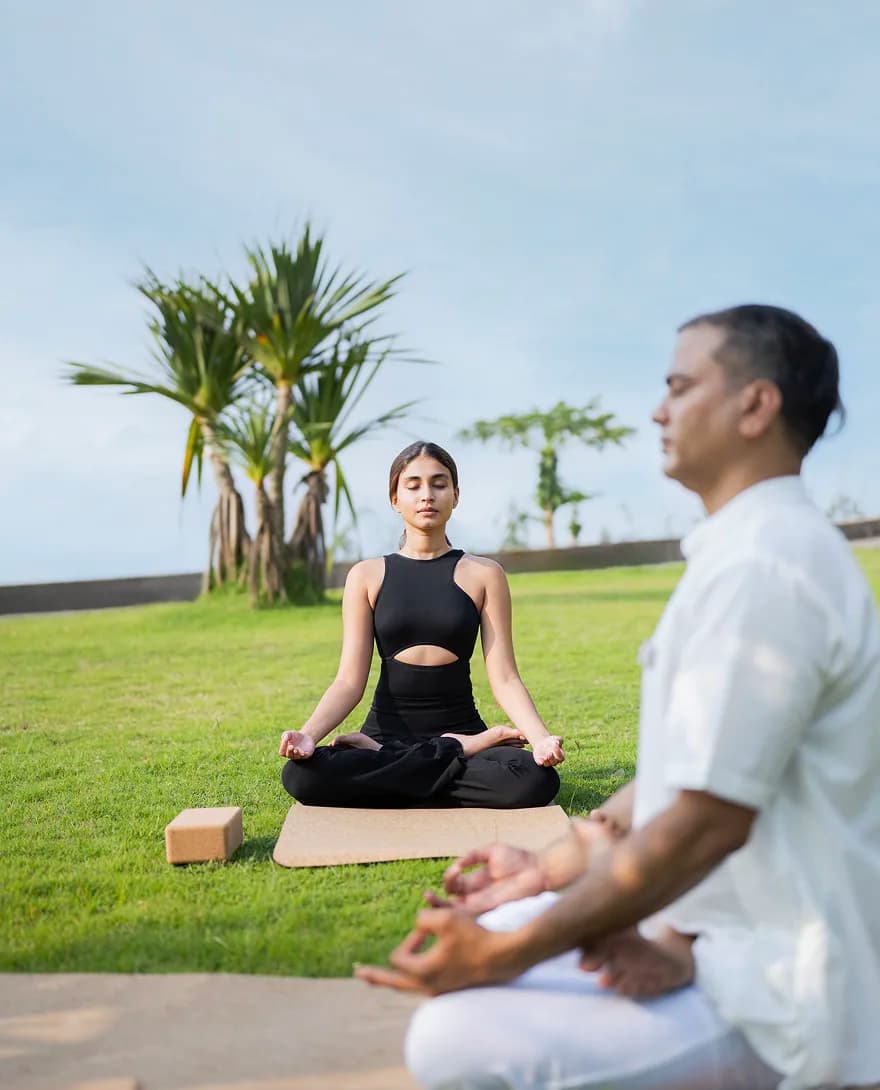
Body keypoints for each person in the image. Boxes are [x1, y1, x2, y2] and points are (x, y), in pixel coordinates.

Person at [358, 305, 880, 1090]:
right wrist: (545, 869)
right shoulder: (740, 553)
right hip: (705, 937)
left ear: (755, 404)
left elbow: (705, 822)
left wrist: (509, 955)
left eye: (679, 385)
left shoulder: (768, 567)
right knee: (495, 914)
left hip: (779, 996)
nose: (657, 409)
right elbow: (681, 774)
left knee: (455, 1038)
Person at [278, 441, 563, 809]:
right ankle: (453, 753)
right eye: (413, 486)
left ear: (456, 495)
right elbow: (348, 681)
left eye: (439, 484)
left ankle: (416, 761)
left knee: (534, 779)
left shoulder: (484, 574)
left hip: (457, 728)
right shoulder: (366, 576)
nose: (426, 495)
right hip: (388, 735)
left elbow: (505, 677)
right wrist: (308, 734)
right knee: (301, 775)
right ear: (395, 499)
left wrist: (540, 738)